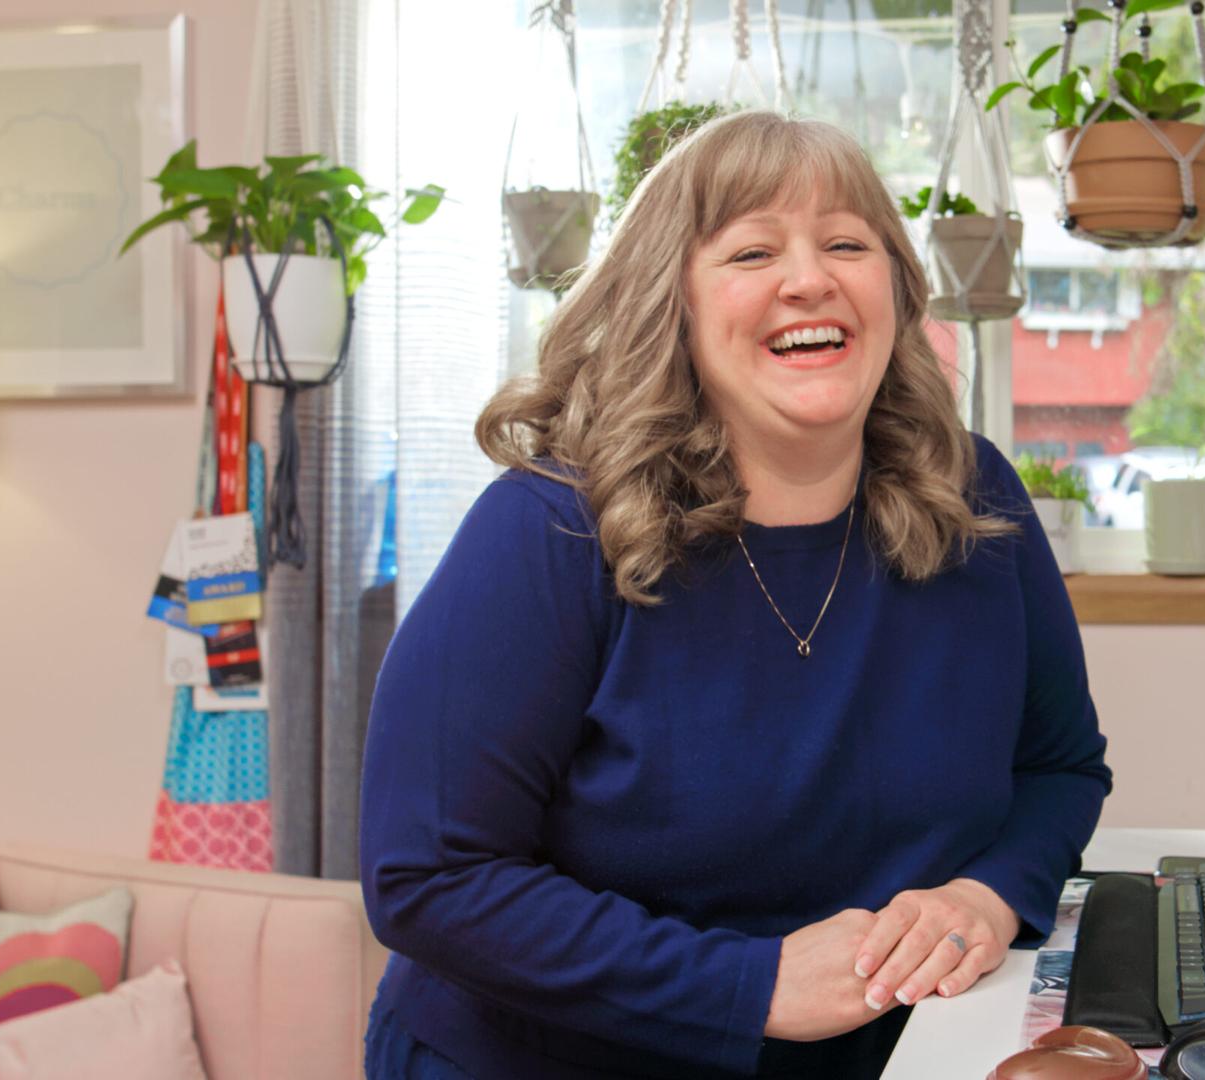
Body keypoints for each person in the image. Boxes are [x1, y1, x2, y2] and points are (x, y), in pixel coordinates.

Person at [358, 110, 1112, 1080]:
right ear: (668, 303)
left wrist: (989, 894)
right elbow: (429, 880)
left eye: (848, 243)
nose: (811, 278)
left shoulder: (977, 500)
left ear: (895, 292)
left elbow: (1059, 770)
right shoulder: (547, 529)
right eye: (752, 251)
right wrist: (748, 986)